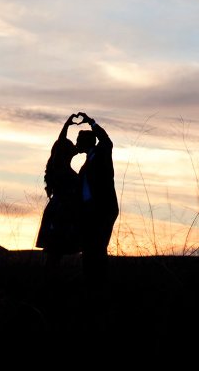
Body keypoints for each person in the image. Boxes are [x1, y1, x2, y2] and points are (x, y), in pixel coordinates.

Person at [74, 111, 118, 286]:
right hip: (88, 211)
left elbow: (106, 140)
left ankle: (99, 284)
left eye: (78, 140)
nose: (76, 144)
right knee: (89, 249)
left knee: (98, 248)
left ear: (86, 142)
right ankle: (90, 283)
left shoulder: (101, 153)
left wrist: (91, 122)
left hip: (103, 209)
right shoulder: (86, 164)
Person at [36, 113, 81, 269]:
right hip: (61, 212)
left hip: (61, 210)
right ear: (65, 152)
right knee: (55, 251)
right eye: (70, 146)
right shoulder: (61, 169)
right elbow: (61, 142)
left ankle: (49, 281)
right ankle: (48, 283)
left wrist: (67, 125)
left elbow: (60, 143)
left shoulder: (58, 166)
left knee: (56, 253)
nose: (74, 147)